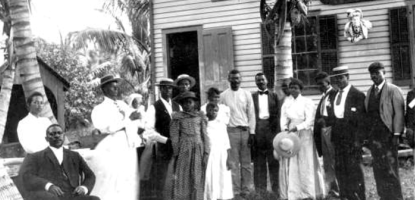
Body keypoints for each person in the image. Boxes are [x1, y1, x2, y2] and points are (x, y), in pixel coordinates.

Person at [89, 74, 142, 200]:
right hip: (112, 145)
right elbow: (108, 128)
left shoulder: (123, 105)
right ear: (104, 89)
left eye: (116, 87)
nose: (116, 90)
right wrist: (128, 120)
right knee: (113, 179)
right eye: (113, 88)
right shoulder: (100, 109)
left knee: (128, 178)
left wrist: (136, 121)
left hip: (127, 145)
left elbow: (132, 124)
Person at [19, 124, 99, 200]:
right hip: (50, 197)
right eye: (52, 134)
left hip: (73, 196)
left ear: (64, 136)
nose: (56, 136)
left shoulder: (75, 155)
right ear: (46, 139)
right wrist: (48, 186)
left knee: (94, 199)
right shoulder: (35, 157)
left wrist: (84, 188)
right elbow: (27, 176)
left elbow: (90, 175)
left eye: (59, 133)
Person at [279, 78, 325, 200]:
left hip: (304, 134)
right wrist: (285, 129)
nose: (293, 90)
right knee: (292, 160)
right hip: (290, 134)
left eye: (296, 88)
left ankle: (307, 191)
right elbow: (283, 119)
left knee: (305, 161)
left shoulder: (307, 102)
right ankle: (294, 192)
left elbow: (310, 120)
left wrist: (298, 127)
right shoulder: (286, 103)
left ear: (301, 89)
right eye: (291, 87)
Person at [364, 62, 404, 200]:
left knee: (390, 168)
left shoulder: (393, 90)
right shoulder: (370, 92)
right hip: (374, 137)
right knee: (378, 168)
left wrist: (396, 134)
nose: (374, 76)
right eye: (372, 74)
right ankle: (384, 196)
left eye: (377, 73)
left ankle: (396, 197)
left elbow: (399, 113)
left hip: (389, 136)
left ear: (384, 73)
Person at [164, 91, 209, 200]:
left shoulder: (200, 117)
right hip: (184, 148)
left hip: (198, 148)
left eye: (189, 102)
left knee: (197, 175)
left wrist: (206, 150)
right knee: (183, 175)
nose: (187, 105)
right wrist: (176, 151)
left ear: (195, 103)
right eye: (184, 103)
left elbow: (204, 134)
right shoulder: (178, 117)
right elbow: (174, 135)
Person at [331, 66, 366, 200]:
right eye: (336, 78)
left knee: (354, 169)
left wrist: (359, 141)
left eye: (341, 77)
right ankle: (345, 195)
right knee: (340, 168)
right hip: (338, 139)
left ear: (347, 77)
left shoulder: (357, 95)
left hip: (352, 140)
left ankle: (359, 196)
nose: (338, 81)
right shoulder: (334, 94)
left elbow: (362, 121)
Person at [220, 69, 256, 198]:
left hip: (245, 131)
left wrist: (252, 132)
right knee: (233, 163)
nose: (235, 81)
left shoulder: (246, 94)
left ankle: (246, 190)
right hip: (231, 131)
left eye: (237, 78)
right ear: (228, 79)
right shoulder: (223, 96)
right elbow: (220, 115)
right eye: (232, 78)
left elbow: (251, 114)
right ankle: (235, 190)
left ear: (241, 80)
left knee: (246, 163)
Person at [144, 78, 181, 200]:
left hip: (178, 147)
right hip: (163, 147)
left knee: (177, 175)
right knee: (163, 177)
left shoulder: (177, 106)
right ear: (160, 89)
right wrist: (165, 140)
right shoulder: (154, 107)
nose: (168, 90)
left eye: (170, 88)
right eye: (164, 87)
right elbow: (149, 131)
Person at [251, 73, 280, 194]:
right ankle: (260, 190)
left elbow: (278, 115)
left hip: (271, 130)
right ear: (256, 82)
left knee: (273, 161)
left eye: (262, 79)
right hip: (258, 130)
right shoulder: (252, 96)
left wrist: (277, 133)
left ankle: (276, 189)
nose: (261, 82)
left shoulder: (274, 95)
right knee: (259, 162)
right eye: (258, 80)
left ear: (267, 81)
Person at [313, 72, 339, 196]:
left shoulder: (335, 94)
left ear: (328, 82)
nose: (320, 87)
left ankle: (338, 188)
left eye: (322, 84)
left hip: (331, 131)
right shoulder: (324, 96)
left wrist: (326, 121)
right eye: (318, 85)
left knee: (334, 160)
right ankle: (332, 188)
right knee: (327, 161)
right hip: (323, 131)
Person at [204, 103, 233, 200]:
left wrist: (229, 158)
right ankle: (211, 197)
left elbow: (226, 142)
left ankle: (222, 197)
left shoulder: (221, 124)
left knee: (222, 176)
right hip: (210, 154)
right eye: (211, 110)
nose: (213, 112)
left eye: (216, 110)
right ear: (207, 111)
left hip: (221, 154)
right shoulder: (204, 124)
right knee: (211, 177)